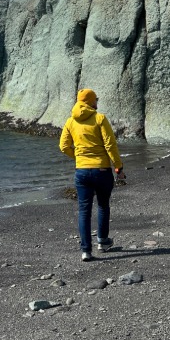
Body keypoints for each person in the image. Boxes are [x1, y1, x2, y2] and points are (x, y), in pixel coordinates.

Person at [59, 88, 126, 262]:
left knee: (84, 210)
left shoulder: (70, 121)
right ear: (90, 102)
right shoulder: (100, 118)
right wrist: (118, 167)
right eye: (96, 99)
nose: (97, 101)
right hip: (102, 170)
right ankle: (103, 242)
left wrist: (79, 158)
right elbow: (110, 145)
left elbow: (63, 146)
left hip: (81, 172)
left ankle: (86, 251)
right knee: (103, 206)